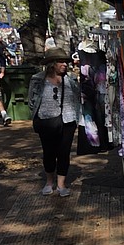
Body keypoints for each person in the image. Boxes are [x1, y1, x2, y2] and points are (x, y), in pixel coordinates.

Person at [28, 47, 81, 197]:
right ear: (52, 64)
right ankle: (49, 182)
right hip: (46, 120)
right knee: (49, 152)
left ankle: (61, 184)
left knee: (64, 153)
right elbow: (31, 100)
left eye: (66, 61)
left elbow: (78, 96)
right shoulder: (38, 79)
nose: (64, 64)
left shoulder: (70, 78)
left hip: (68, 120)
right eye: (60, 61)